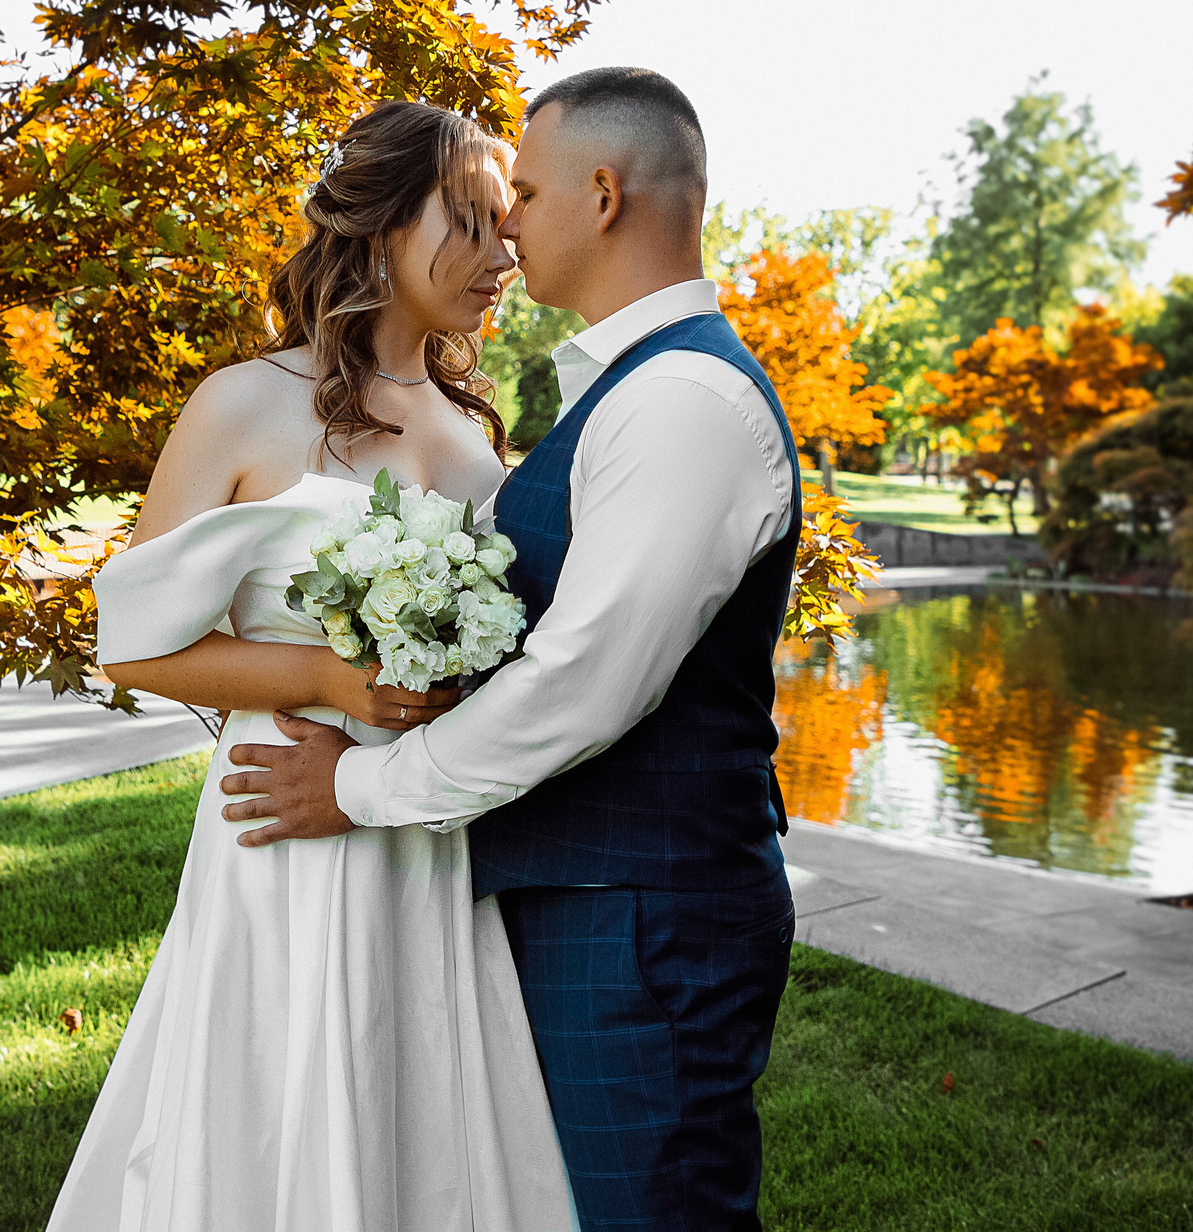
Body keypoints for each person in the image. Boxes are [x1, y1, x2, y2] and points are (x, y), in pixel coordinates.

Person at [222, 67, 802, 1231]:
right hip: (586, 897)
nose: (508, 226)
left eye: (524, 194)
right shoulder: (624, 392)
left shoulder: (682, 398)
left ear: (602, 194)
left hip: (642, 914)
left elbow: (586, 684)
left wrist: (358, 784)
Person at [44, 101, 576, 1230]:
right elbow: (138, 646)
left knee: (421, 1092)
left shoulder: (473, 430)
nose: (505, 256)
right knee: (277, 1104)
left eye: (509, 227)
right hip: (284, 816)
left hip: (425, 825)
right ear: (383, 224)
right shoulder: (242, 403)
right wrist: (330, 685)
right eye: (472, 223)